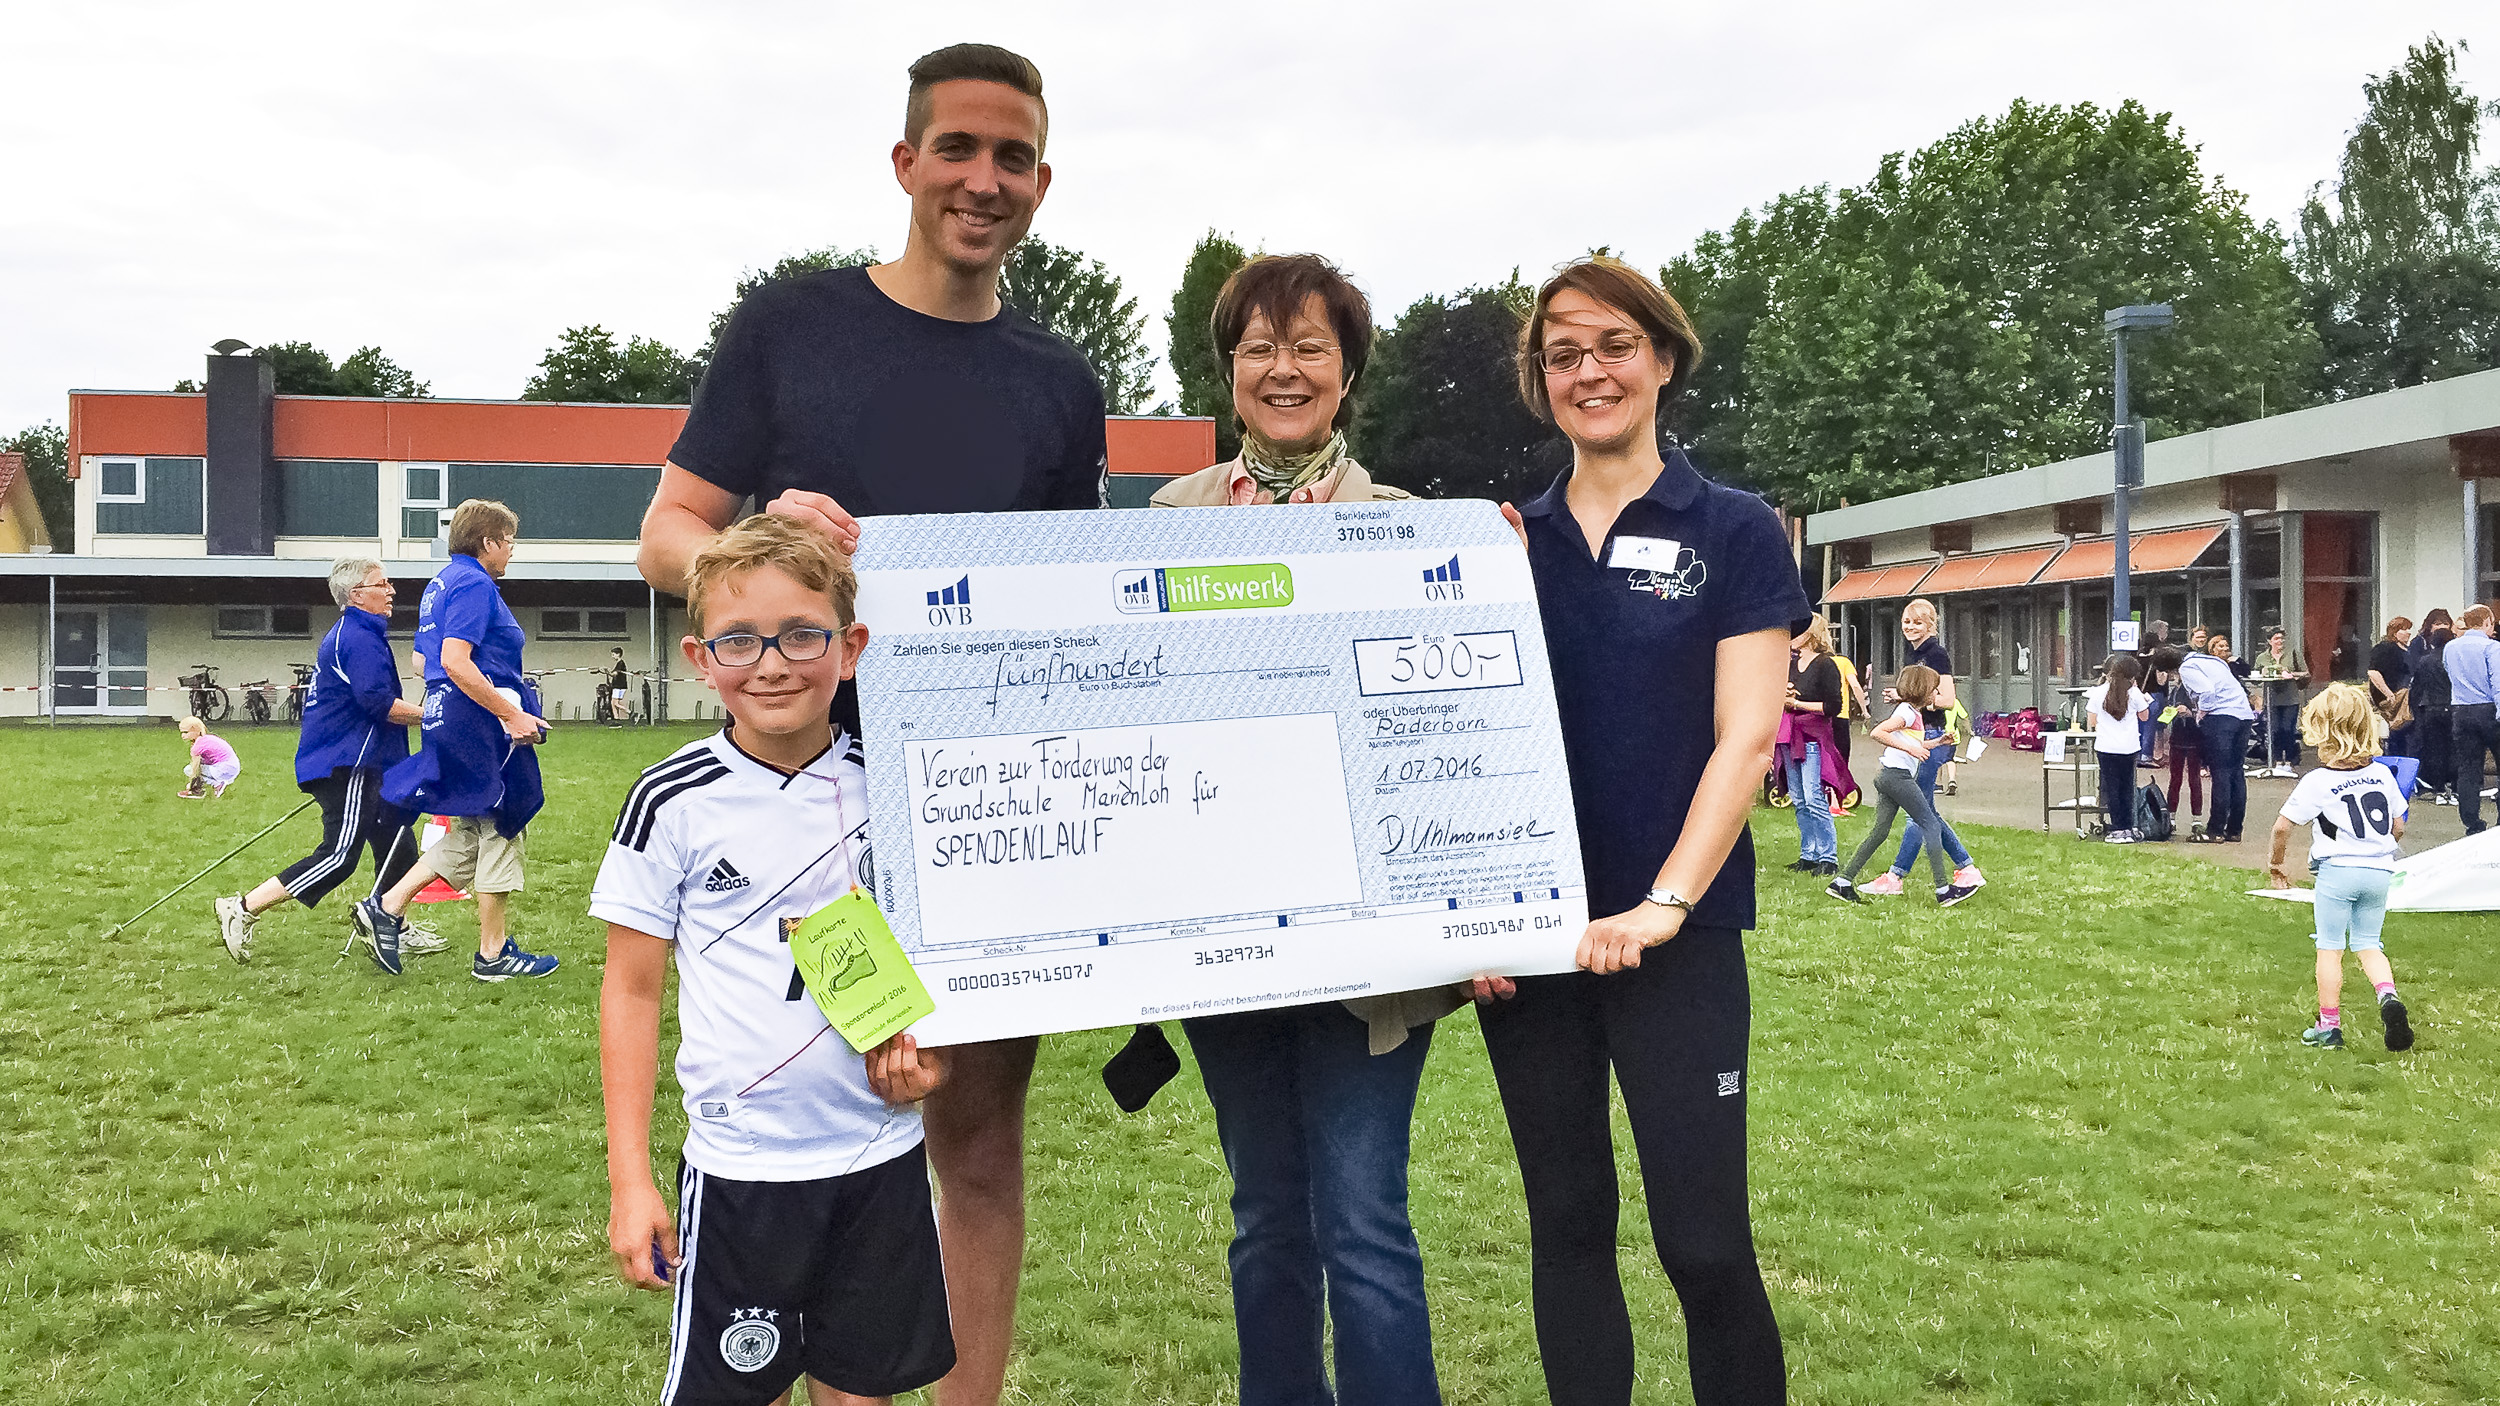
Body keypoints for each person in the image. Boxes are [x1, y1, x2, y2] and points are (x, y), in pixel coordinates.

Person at [631, 46, 1103, 1406]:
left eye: (1012, 157)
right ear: (905, 164)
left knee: (974, 1141)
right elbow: (666, 534)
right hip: (802, 819)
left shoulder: (1058, 383)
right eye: (958, 148)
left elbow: (1073, 602)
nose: (983, 178)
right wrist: (765, 536)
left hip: (983, 815)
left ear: (1041, 182)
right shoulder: (792, 325)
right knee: (814, 1141)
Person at [1472, 257, 1797, 1405]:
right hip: (1537, 945)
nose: (1589, 372)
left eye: (1613, 345)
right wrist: (1473, 916)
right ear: (1539, 381)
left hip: (1679, 943)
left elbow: (1745, 740)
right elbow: (1448, 740)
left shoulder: (1736, 528)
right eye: (1562, 354)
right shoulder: (1500, 544)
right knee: (1565, 1226)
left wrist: (1662, 904)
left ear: (1661, 359)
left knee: (1702, 1244)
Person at [1151, 253, 1447, 1406]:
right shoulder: (1165, 522)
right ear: (1228, 371)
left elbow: (1452, 743)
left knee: (1366, 1221)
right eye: (1258, 348)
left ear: (1346, 369)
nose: (1283, 370)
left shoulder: (1418, 530)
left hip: (1370, 956)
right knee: (1265, 1216)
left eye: (1308, 347)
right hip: (1222, 941)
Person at [596, 516, 953, 1406]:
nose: (772, 663)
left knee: (861, 1390)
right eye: (739, 640)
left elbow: (952, 961)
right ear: (698, 656)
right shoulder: (670, 802)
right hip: (743, 1168)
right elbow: (631, 992)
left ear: (852, 645)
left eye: (802, 635)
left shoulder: (904, 785)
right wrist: (632, 1181)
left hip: (881, 1155)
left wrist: (932, 1055)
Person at [355, 499, 559, 982]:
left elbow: (424, 664)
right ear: (488, 542)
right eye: (508, 541)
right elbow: (454, 660)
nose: (511, 551)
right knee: (506, 819)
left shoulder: (439, 584)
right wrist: (511, 713)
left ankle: (387, 905)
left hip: (448, 716)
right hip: (481, 724)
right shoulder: (474, 583)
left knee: (472, 827)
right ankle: (493, 953)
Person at [213, 559, 431, 964]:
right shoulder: (357, 637)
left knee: (397, 841)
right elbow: (378, 704)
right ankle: (241, 908)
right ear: (356, 595)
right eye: (382, 584)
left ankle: (394, 923)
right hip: (347, 763)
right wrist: (436, 715)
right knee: (339, 856)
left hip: (374, 762)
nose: (392, 591)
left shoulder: (364, 633)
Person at [2267, 686, 2414, 1053]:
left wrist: (2276, 864)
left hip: (2338, 871)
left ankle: (2329, 1026)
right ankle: (2388, 997)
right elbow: (2399, 824)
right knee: (2368, 943)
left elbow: (2283, 826)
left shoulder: (2318, 781)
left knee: (2330, 947)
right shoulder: (2381, 774)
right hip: (2379, 871)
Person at [1860, 599, 1985, 896]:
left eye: (1917, 622)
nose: (1910, 627)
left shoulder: (1936, 654)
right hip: (1917, 733)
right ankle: (1967, 868)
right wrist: (1903, 697)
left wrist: (1917, 698)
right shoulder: (1912, 653)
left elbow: (1948, 698)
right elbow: (1917, 692)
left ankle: (1896, 876)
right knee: (1925, 809)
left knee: (1918, 812)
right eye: (1906, 621)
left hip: (1932, 733)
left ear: (1931, 625)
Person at [1828, 665, 1975, 904]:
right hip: (1897, 777)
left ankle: (1842, 882)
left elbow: (1909, 742)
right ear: (1923, 691)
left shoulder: (1913, 714)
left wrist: (1937, 742)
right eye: (1934, 691)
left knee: (1880, 831)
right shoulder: (1906, 712)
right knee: (1930, 824)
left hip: (1888, 775)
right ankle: (1943, 890)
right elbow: (1878, 732)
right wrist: (1911, 749)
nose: (1937, 696)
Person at [1781, 617, 1846, 875]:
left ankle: (1828, 856)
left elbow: (1833, 707)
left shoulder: (1825, 664)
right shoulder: (1792, 663)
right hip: (1789, 734)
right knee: (1798, 797)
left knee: (1813, 795)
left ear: (1811, 634)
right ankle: (1808, 853)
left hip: (1812, 736)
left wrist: (1797, 704)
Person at [2179, 634, 2257, 843]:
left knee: (2220, 773)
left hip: (2221, 718)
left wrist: (2201, 712)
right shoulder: (2215, 662)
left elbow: (2207, 691)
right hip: (2243, 716)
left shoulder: (2187, 667)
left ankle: (2215, 829)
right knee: (2236, 771)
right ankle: (2234, 828)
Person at [2445, 605, 2500, 836]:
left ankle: (2472, 822)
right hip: (2489, 710)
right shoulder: (2492, 647)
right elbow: (2498, 683)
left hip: (2461, 710)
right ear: (2487, 621)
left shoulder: (2450, 647)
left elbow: (2449, 673)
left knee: (2468, 768)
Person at [2087, 654, 2151, 843]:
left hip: (2106, 747)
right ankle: (2128, 826)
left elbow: (2091, 721)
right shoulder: (2134, 693)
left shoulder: (2098, 693)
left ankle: (2117, 829)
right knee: (2127, 787)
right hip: (2129, 747)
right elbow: (2145, 717)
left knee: (2111, 788)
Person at [2150, 647, 2205, 830]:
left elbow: (2203, 710)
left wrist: (2190, 712)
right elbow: (2170, 705)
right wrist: (2170, 712)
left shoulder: (2196, 688)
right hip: (2177, 737)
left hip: (2194, 737)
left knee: (2194, 779)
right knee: (2175, 779)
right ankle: (2171, 817)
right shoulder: (2175, 689)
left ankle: (2196, 818)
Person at [2410, 619, 2457, 806]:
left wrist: (2415, 709)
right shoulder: (2453, 659)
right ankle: (2453, 789)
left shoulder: (2425, 660)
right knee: (2453, 750)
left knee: (2435, 750)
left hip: (2430, 708)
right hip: (2452, 707)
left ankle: (2438, 790)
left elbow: (2417, 687)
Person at [2252, 627, 2310, 776]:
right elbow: (2256, 679)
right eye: (2276, 639)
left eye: (2282, 638)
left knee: (2288, 730)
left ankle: (2289, 761)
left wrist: (2290, 673)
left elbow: (2305, 673)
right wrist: (2263, 673)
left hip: (2290, 698)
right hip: (2271, 699)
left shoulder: (2293, 654)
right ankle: (2277, 761)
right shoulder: (2262, 658)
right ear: (2269, 641)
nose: (2280, 641)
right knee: (2274, 730)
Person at [2368, 618, 2413, 757]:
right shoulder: (2384, 648)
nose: (2408, 633)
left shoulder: (2407, 649)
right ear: (2394, 632)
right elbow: (2373, 672)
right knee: (2395, 729)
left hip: (2406, 696)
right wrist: (2388, 693)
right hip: (2393, 697)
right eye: (2404, 629)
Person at [176, 716, 240, 799]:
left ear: (195, 730)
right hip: (233, 769)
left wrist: (193, 784)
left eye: (186, 732)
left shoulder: (198, 746)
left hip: (221, 769)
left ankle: (211, 786)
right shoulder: (208, 739)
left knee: (188, 769)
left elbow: (195, 768)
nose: (183, 736)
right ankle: (218, 783)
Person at [1831, 647, 1870, 769]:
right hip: (1840, 714)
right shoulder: (1843, 662)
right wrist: (1864, 710)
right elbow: (1856, 687)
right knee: (1841, 759)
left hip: (1818, 715)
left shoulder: (1813, 662)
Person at [600, 646, 632, 727]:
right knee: (613, 704)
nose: (612, 656)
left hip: (619, 686)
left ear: (618, 654)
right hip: (619, 686)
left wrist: (606, 672)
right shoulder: (619, 664)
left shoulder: (620, 664)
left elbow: (614, 674)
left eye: (613, 654)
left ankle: (631, 713)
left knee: (615, 704)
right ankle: (616, 721)